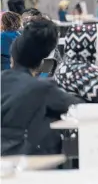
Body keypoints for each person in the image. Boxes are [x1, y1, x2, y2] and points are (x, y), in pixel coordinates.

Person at [1, 19, 84, 155]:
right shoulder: (42, 89)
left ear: (12, 57)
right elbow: (81, 108)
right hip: (28, 164)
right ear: (41, 61)